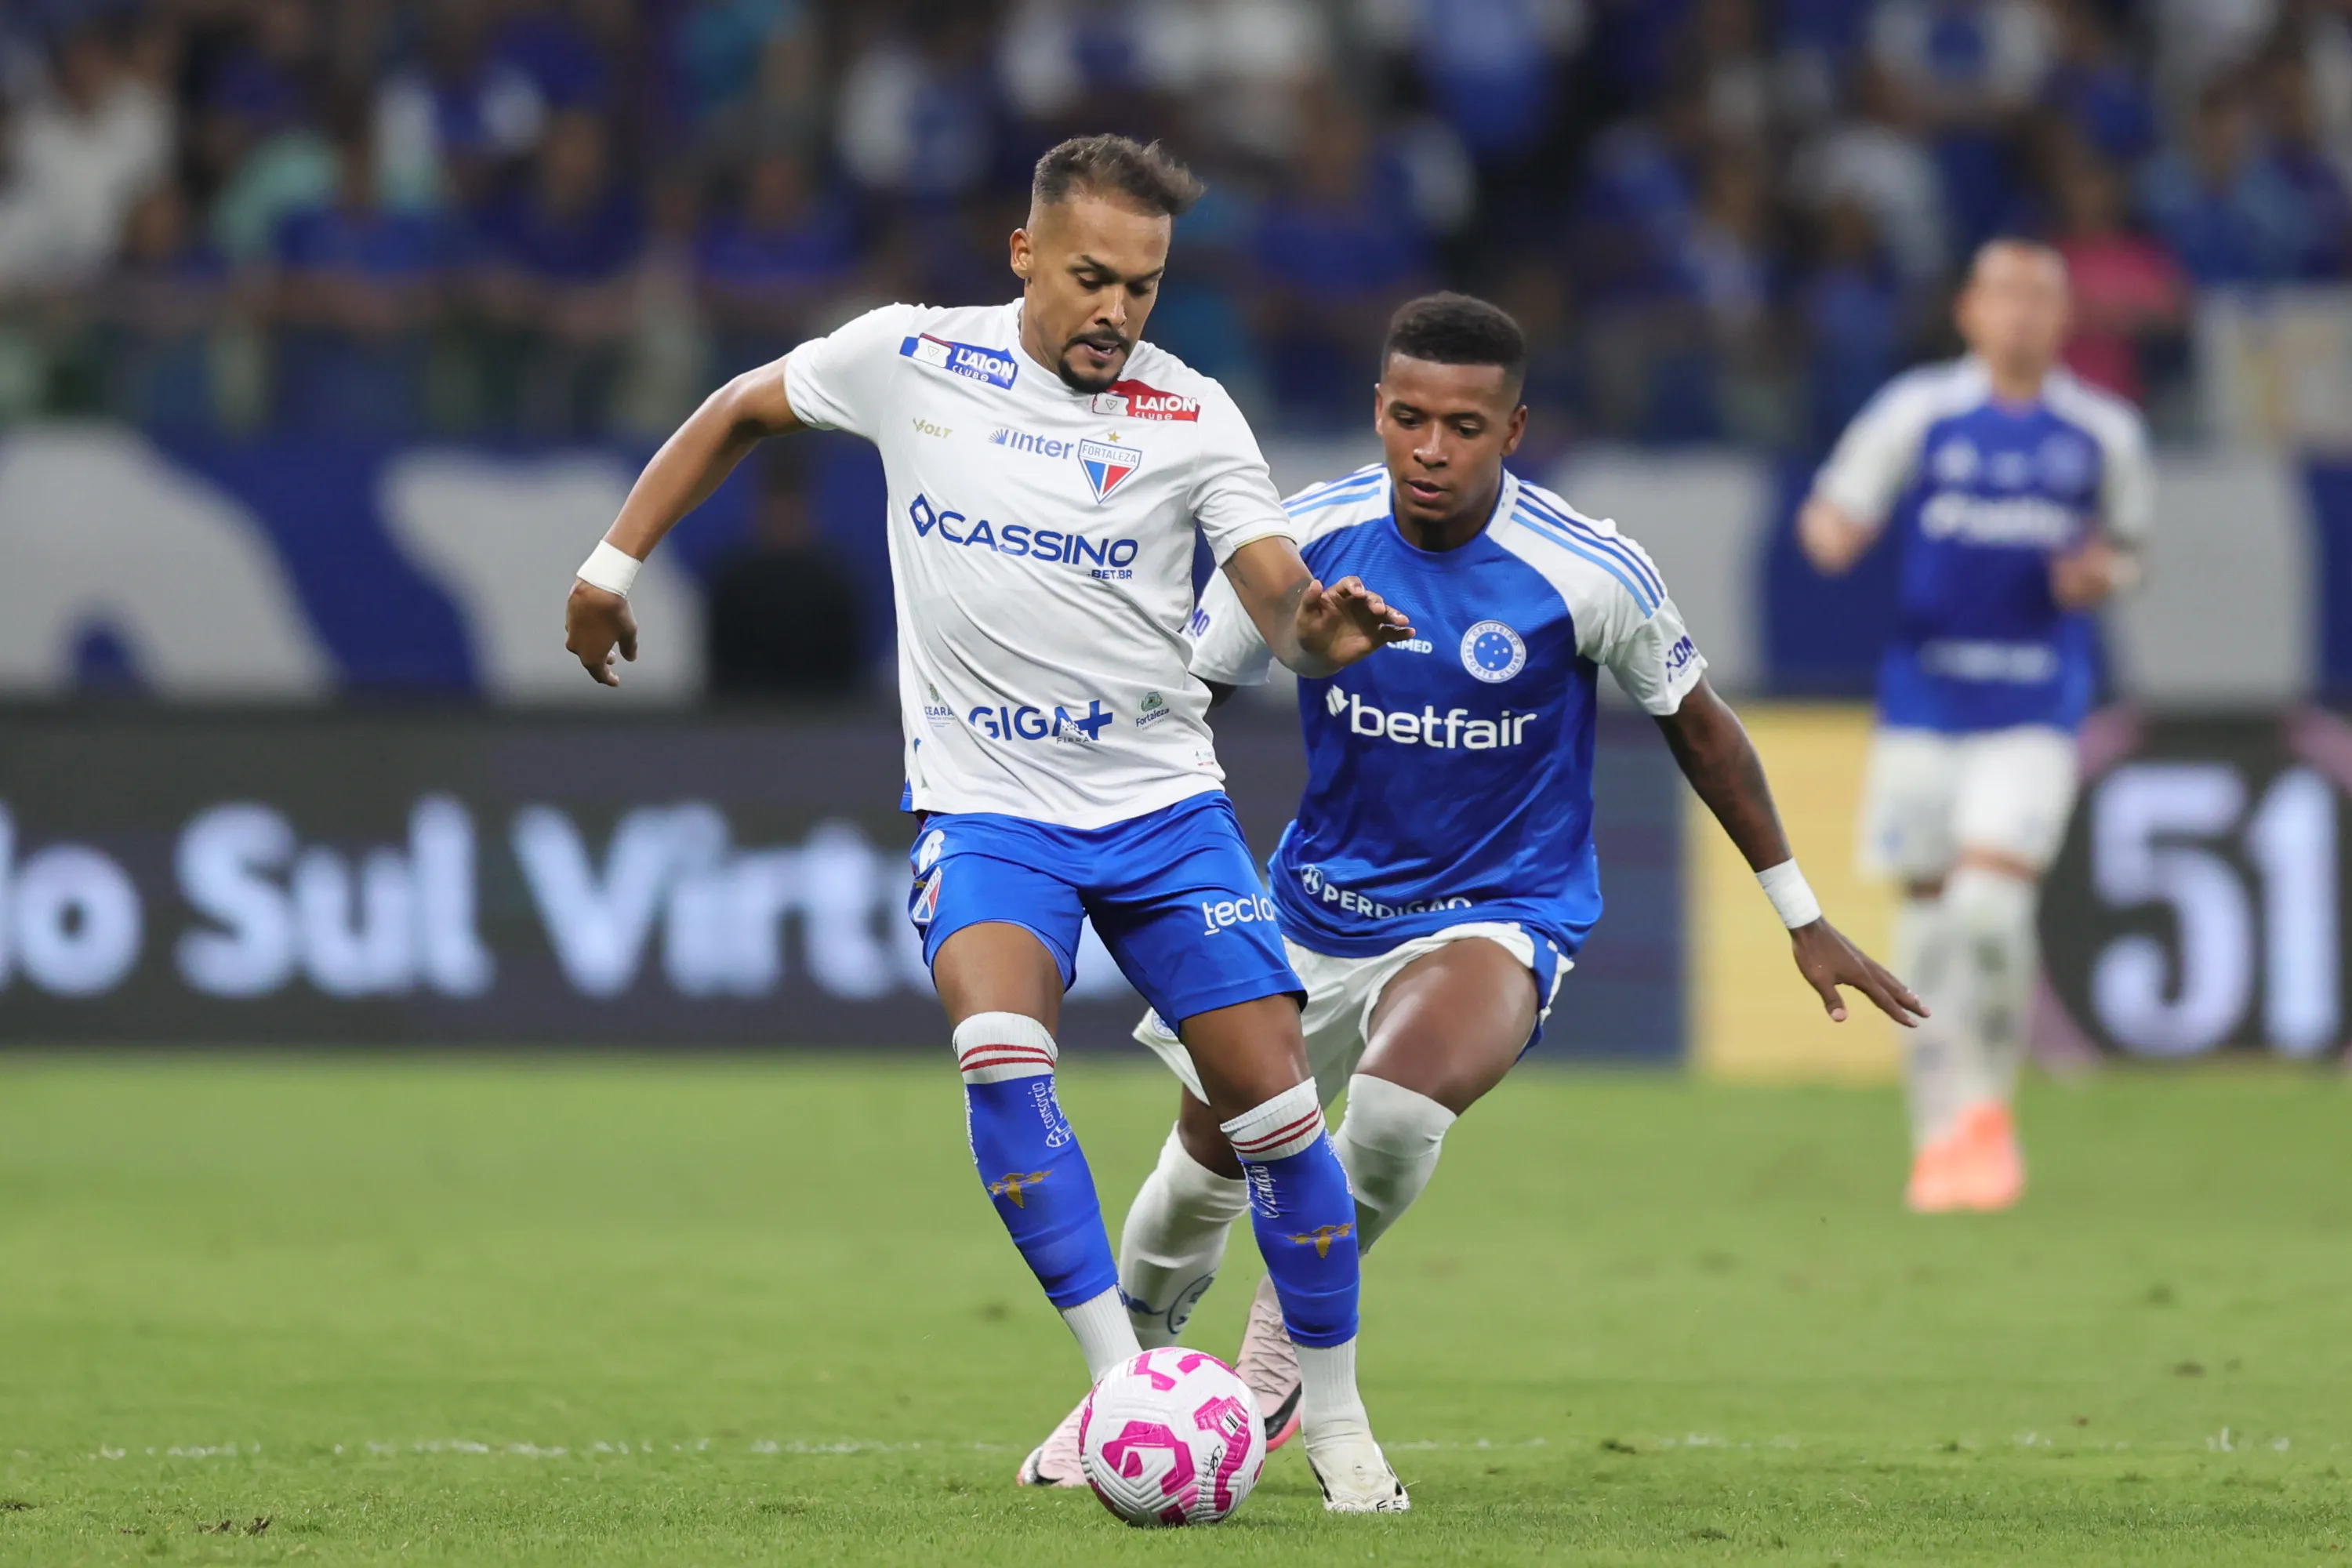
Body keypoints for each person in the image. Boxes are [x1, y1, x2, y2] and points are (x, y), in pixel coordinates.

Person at [560, 135, 1417, 1512]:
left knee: (1274, 1107)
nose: (1118, 315)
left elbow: (1276, 598)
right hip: (989, 807)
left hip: (1159, 807)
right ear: (1026, 255)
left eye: (1144, 288)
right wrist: (612, 566)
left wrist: (1319, 633)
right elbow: (735, 406)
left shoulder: (1192, 412)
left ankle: (1335, 1418)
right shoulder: (913, 360)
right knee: (1000, 1049)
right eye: (1092, 279)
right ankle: (1115, 1390)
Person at [1018, 292, 1926, 1483]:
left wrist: (1802, 917)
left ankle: (1277, 1363)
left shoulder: (1589, 570)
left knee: (1393, 1117)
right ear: (1378, 414)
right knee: (1194, 1182)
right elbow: (1181, 701)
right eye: (1408, 419)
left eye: (1462, 426)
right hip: (1311, 912)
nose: (1430, 450)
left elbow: (1701, 731)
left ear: (1514, 430)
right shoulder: (1305, 543)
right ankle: (1126, 1398)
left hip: (1502, 911)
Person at [1798, 239, 2151, 1213]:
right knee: (1923, 937)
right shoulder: (1920, 411)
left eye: (2040, 295)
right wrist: (1836, 531)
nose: (2022, 312)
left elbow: (2129, 549)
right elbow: (1835, 508)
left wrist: (2103, 575)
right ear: (1968, 310)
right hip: (1922, 707)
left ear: (2064, 315)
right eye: (2003, 293)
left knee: (1989, 914)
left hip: (2034, 706)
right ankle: (1938, 1136)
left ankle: (1989, 1109)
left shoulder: (2103, 432)